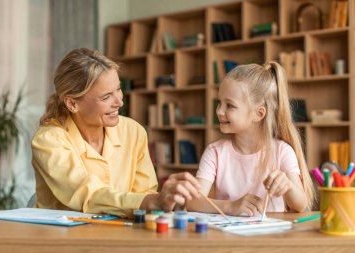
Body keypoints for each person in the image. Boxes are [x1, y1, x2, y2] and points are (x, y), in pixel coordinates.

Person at [31, 48, 200, 217]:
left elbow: (144, 195)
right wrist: (152, 201)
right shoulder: (48, 140)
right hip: (60, 238)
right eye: (106, 97)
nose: (119, 102)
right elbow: (86, 194)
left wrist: (165, 201)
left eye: (118, 89)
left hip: (120, 233)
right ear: (72, 103)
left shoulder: (134, 132)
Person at [187, 61, 315, 216]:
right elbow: (192, 202)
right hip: (226, 238)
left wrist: (287, 186)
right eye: (219, 103)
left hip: (272, 238)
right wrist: (230, 206)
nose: (219, 111)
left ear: (259, 114)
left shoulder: (282, 151)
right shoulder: (215, 152)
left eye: (230, 105)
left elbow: (301, 205)